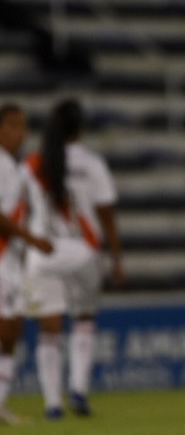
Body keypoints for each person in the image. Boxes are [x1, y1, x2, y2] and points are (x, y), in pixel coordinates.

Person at [21, 99, 124, 419]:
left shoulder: (32, 165)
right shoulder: (92, 164)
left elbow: (19, 212)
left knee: (49, 331)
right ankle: (78, 390)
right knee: (84, 320)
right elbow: (106, 214)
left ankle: (52, 404)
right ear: (80, 128)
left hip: (43, 255)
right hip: (83, 253)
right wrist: (116, 256)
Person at [0, 104, 53, 424]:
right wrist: (33, 240)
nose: (20, 132)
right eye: (12, 125)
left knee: (12, 333)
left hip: (12, 259)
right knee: (5, 331)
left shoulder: (14, 167)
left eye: (23, 126)